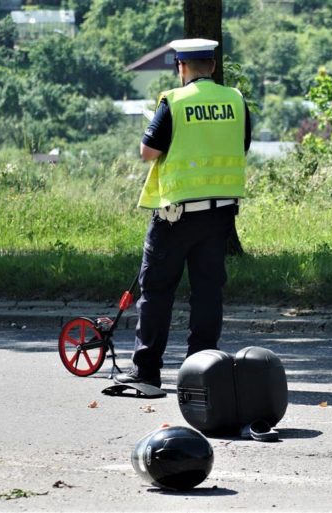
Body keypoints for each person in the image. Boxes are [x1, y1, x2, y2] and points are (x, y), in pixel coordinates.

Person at [115, 38, 251, 388]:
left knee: (157, 291)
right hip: (220, 213)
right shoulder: (235, 100)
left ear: (181, 67)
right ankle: (201, 373)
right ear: (214, 66)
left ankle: (146, 371)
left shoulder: (173, 102)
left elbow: (148, 151)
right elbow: (243, 144)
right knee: (208, 292)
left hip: (176, 214)